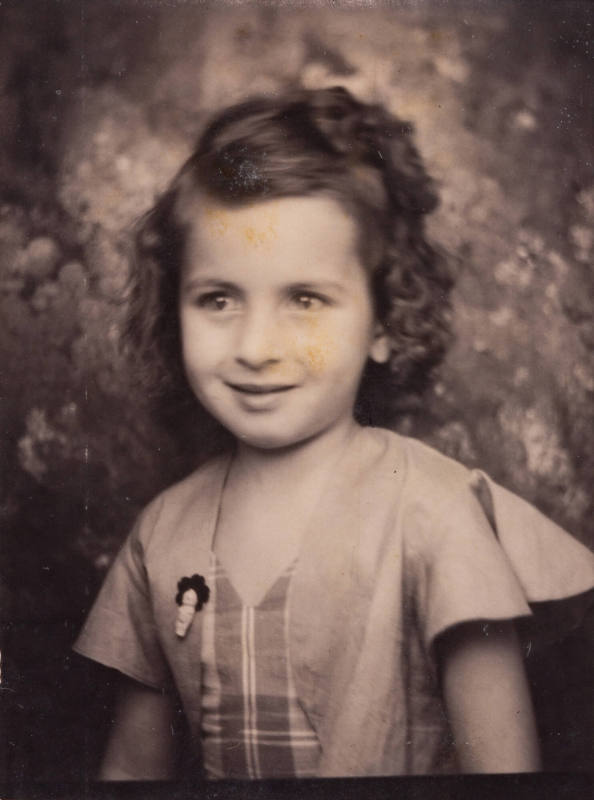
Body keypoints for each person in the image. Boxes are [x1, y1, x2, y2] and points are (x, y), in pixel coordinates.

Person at [73, 86, 594, 780]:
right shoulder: (162, 532)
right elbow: (131, 771)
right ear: (175, 310)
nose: (256, 347)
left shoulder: (435, 516)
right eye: (218, 299)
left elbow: (504, 776)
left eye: (305, 299)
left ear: (384, 319)